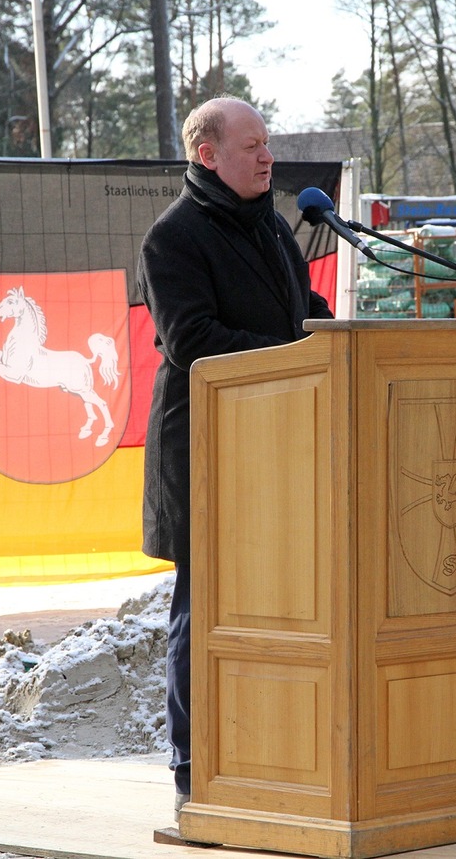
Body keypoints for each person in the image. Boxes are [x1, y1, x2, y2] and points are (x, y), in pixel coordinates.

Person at [137, 96, 334, 817]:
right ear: (206, 154)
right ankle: (195, 764)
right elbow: (194, 343)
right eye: (250, 145)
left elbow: (297, 310)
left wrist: (337, 335)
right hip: (206, 451)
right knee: (206, 610)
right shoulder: (173, 239)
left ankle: (271, 754)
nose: (266, 156)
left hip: (280, 447)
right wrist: (299, 353)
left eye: (267, 144)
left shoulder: (275, 228)